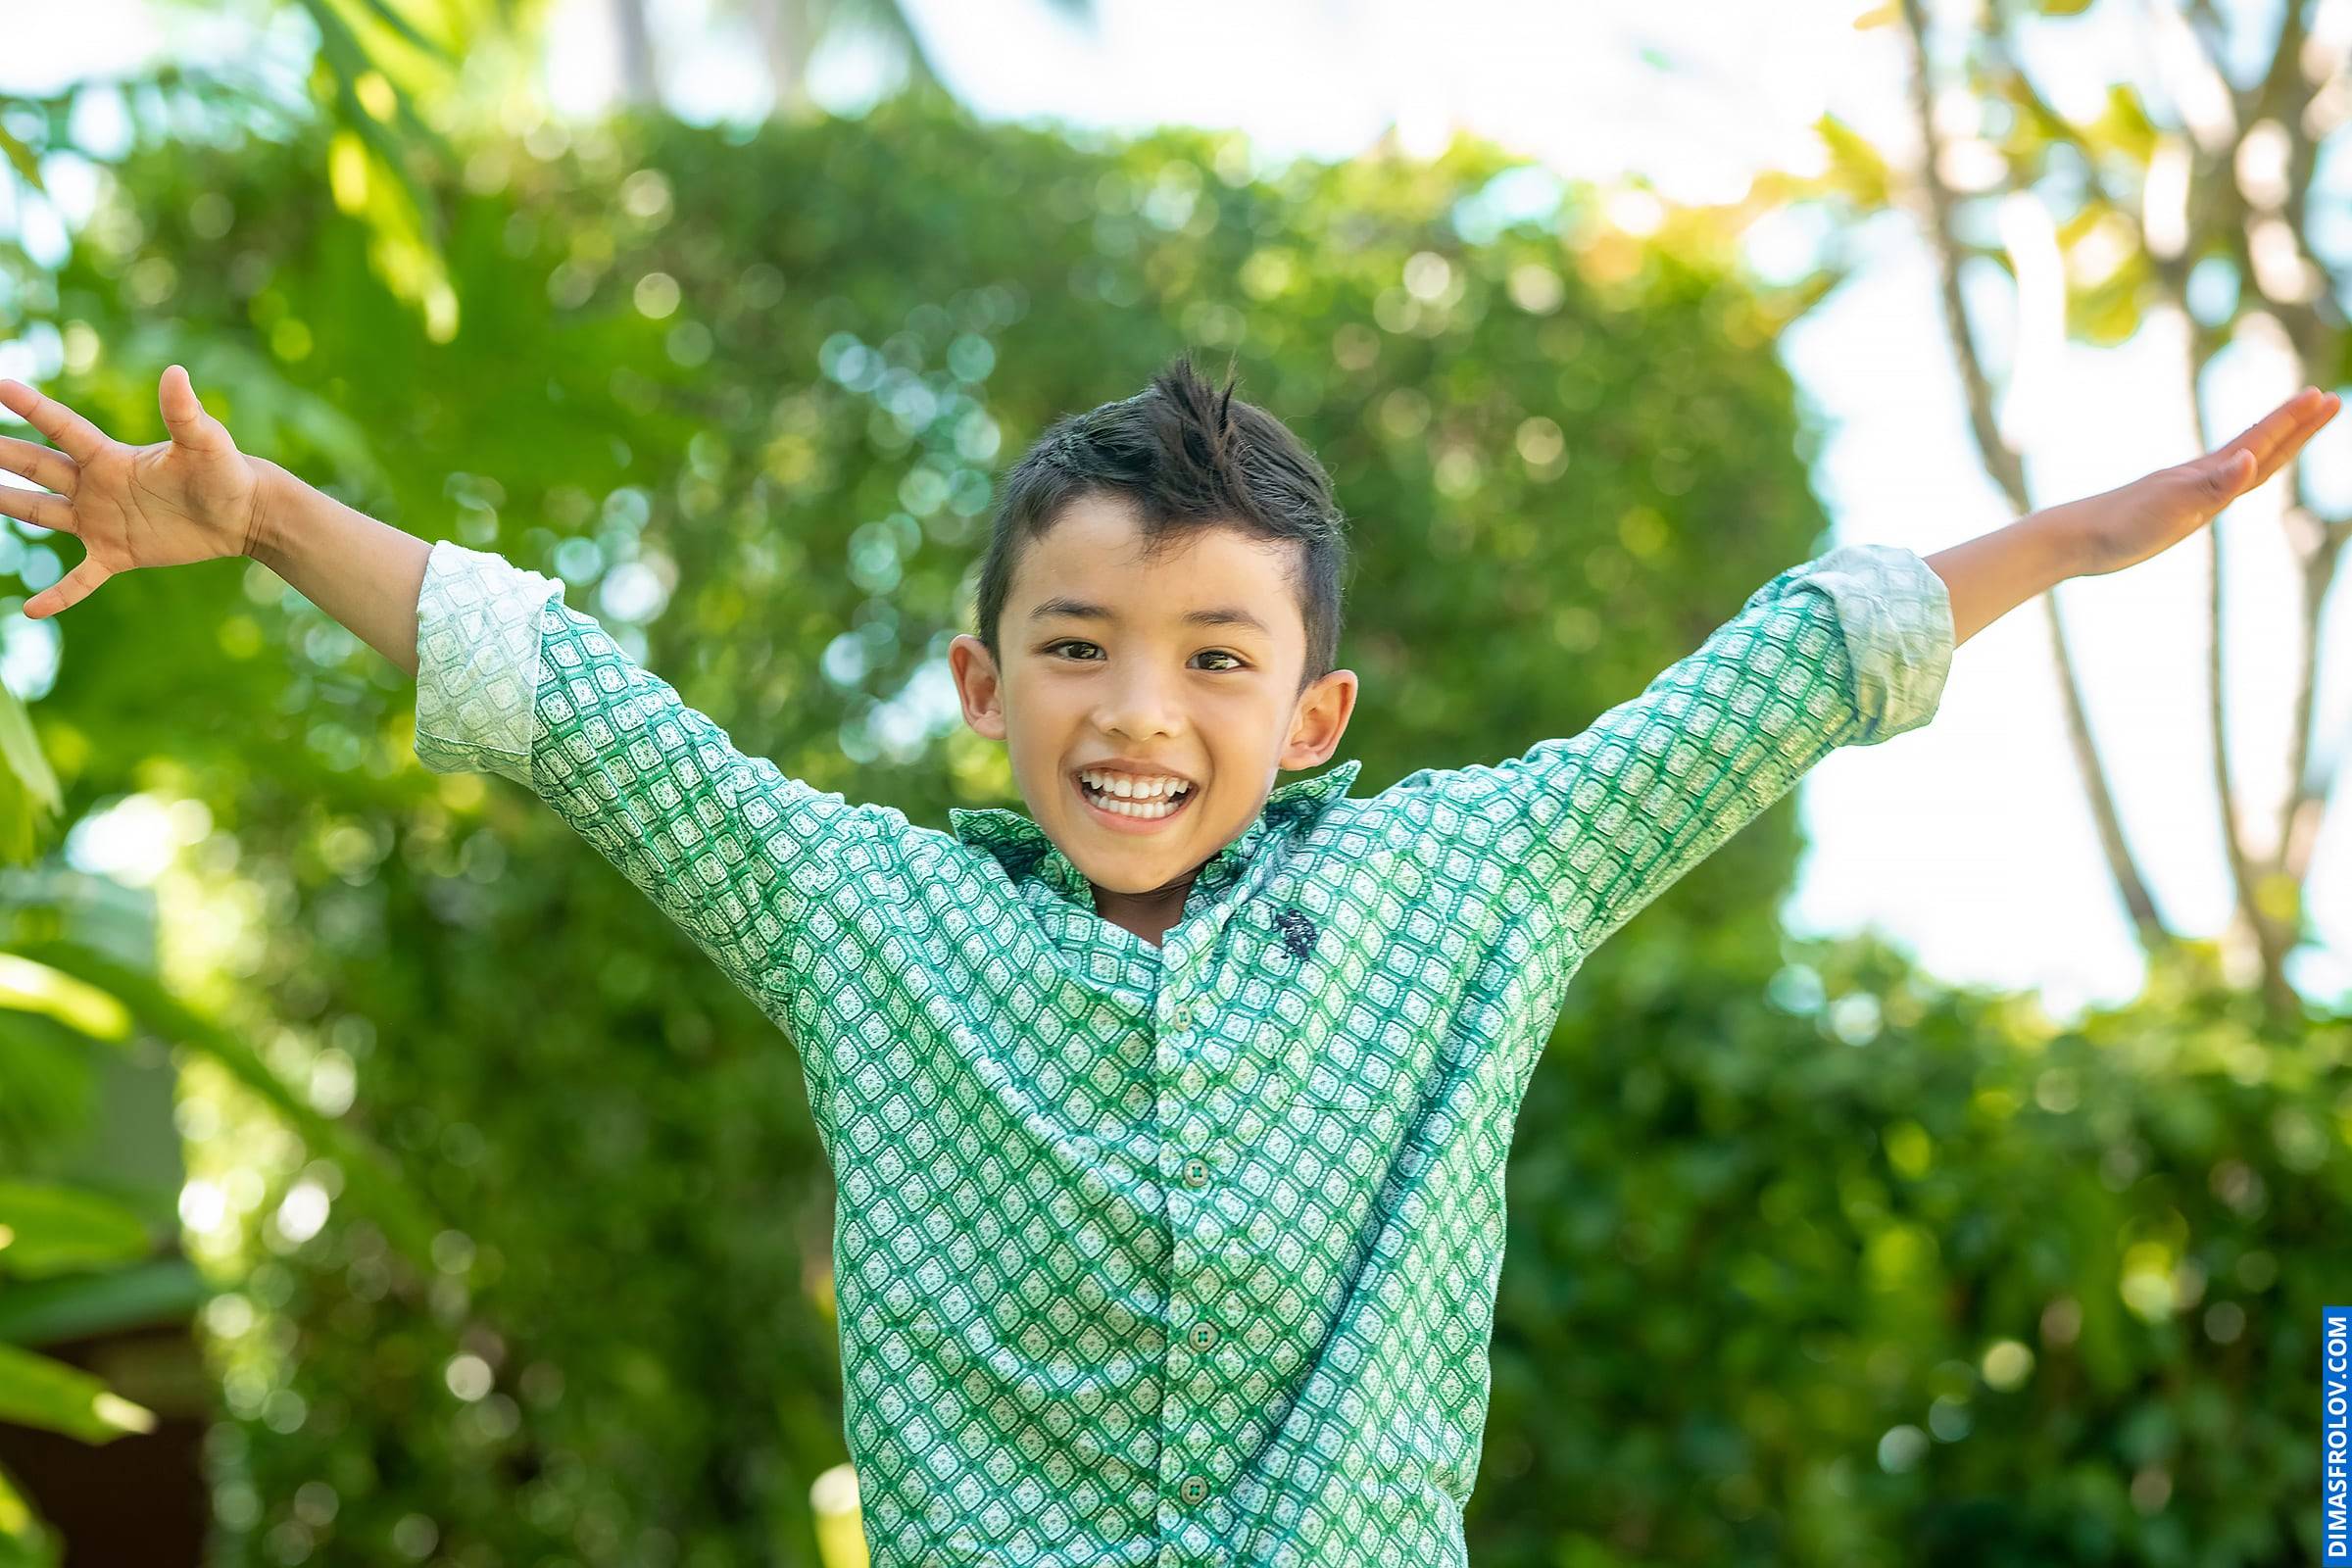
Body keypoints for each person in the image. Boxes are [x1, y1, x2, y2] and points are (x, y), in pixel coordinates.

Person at [0, 356, 2335, 1565]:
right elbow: (572, 704)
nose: (1141, 710)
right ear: (981, 685)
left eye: (1218, 657)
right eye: (1080, 644)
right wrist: (266, 518)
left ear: (1311, 712)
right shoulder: (866, 914)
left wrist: (2072, 538)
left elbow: (1775, 677)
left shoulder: (1467, 882)